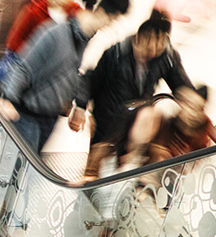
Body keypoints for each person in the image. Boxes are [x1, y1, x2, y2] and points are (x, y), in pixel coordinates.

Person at [0, 0, 126, 155]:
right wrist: (9, 99)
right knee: (14, 167)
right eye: (112, 21)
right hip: (26, 116)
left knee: (25, 169)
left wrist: (79, 107)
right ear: (104, 15)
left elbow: (79, 75)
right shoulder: (54, 33)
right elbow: (24, 66)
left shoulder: (87, 40)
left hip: (50, 118)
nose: (110, 27)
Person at [81, 11, 190, 179]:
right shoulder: (116, 54)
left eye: (160, 45)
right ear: (139, 37)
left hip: (134, 126)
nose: (154, 50)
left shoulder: (166, 57)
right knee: (94, 172)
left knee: (124, 174)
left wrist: (191, 101)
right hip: (108, 122)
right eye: (150, 44)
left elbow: (181, 85)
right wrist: (84, 109)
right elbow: (94, 82)